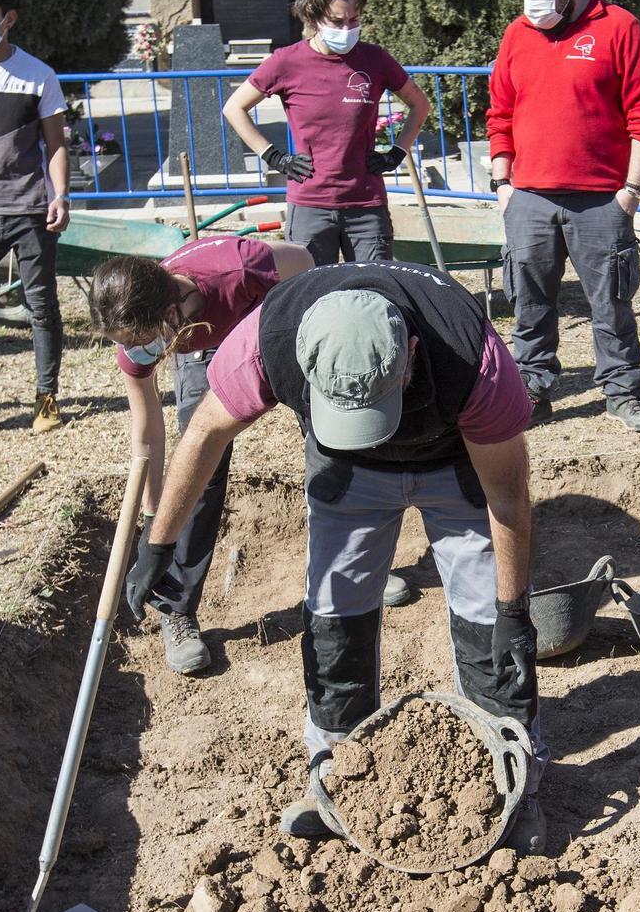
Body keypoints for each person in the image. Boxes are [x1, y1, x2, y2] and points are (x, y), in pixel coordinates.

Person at [123, 260, 547, 852]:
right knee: (333, 616)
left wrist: (512, 611)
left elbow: (506, 495)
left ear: (411, 355)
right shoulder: (268, 337)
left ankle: (510, 780)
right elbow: (205, 434)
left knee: (487, 625)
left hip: (456, 464)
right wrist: (158, 541)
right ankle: (339, 777)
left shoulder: (471, 356)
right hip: (347, 470)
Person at [87, 234, 407, 675]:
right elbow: (147, 437)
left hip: (275, 321)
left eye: (143, 340)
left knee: (332, 440)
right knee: (199, 465)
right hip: (204, 345)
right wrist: (152, 521)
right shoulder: (140, 330)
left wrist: (299, 332)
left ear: (169, 312)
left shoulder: (236, 269)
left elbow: (302, 261)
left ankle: (357, 568)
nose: (139, 352)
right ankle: (178, 608)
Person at [488, 0, 640, 434]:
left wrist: (631, 190)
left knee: (610, 302)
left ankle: (622, 392)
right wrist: (502, 183)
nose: (531, 2)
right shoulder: (517, 35)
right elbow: (499, 112)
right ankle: (533, 388)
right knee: (529, 303)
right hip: (529, 197)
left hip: (601, 201)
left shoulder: (620, 29)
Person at [223, 0, 430, 267]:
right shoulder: (287, 61)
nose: (346, 29)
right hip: (310, 204)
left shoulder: (376, 59)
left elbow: (419, 105)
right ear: (315, 16)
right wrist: (274, 157)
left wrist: (396, 153)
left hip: (366, 204)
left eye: (353, 20)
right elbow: (234, 108)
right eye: (336, 21)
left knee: (373, 290)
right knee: (312, 294)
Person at [0, 0, 68, 432]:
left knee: (42, 306)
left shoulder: (37, 75)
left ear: (7, 18)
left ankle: (46, 397)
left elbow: (56, 144)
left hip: (28, 209)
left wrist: (61, 195)